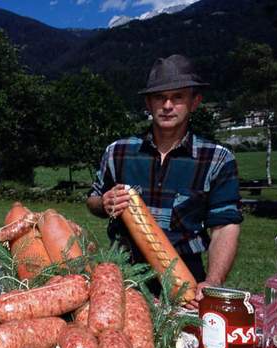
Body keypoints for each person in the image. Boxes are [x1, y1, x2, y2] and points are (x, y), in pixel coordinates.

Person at [87, 54, 243, 308]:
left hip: (186, 277)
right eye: (160, 97)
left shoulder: (216, 159)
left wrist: (213, 280)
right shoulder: (118, 151)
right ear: (148, 104)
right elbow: (92, 200)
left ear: (195, 102)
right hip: (124, 275)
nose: (167, 105)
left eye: (178, 97)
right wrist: (103, 202)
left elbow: (225, 226)